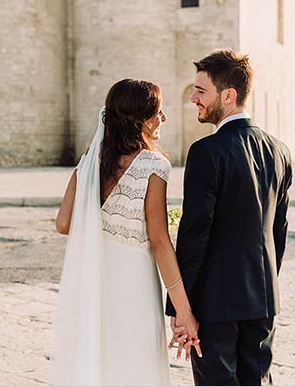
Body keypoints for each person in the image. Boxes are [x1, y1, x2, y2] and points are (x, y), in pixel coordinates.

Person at [51, 78, 201, 386]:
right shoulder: (153, 164)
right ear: (140, 119)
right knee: (137, 363)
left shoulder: (92, 162)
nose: (164, 118)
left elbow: (63, 223)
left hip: (97, 276)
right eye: (158, 111)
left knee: (101, 359)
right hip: (134, 281)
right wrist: (184, 310)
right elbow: (159, 241)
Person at [166, 49, 293, 386]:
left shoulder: (206, 152)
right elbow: (278, 232)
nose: (193, 98)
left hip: (215, 304)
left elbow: (195, 235)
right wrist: (264, 286)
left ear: (229, 95)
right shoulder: (279, 150)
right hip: (263, 299)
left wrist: (182, 309)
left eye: (201, 91)